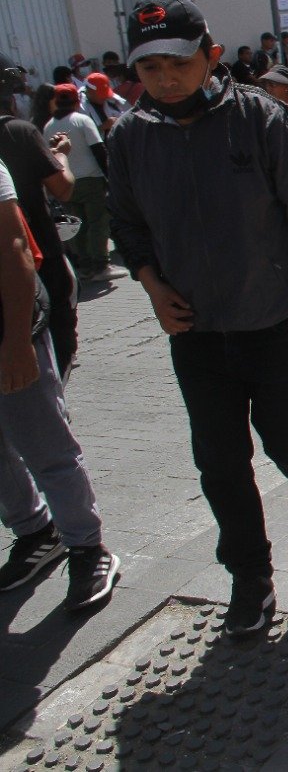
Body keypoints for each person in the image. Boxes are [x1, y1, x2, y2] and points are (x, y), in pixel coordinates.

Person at [107, 0, 288, 637]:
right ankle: (251, 579)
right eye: (151, 66)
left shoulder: (260, 120)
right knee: (219, 460)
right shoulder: (131, 135)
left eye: (178, 63)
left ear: (210, 57)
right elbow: (127, 225)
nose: (164, 78)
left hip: (273, 321)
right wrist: (153, 286)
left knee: (286, 439)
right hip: (195, 332)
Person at [0, 157, 119, 609]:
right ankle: (35, 532)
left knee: (45, 443)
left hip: (10, 331)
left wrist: (16, 341)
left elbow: (14, 248)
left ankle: (87, 547)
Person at [0, 56, 78, 380]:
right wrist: (61, 155)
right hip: (37, 253)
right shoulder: (19, 131)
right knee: (57, 333)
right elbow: (63, 187)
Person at [44, 84, 125, 282]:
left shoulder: (48, 126)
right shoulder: (82, 120)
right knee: (98, 221)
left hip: (66, 181)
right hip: (91, 179)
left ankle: (85, 265)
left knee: (76, 224)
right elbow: (99, 150)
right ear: (77, 100)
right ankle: (101, 264)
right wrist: (111, 177)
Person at [80, 72, 129, 137]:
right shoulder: (80, 107)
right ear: (89, 91)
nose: (105, 97)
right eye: (101, 94)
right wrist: (103, 127)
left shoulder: (113, 100)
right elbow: (82, 136)